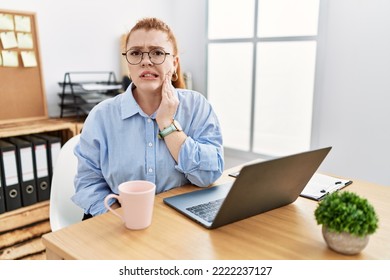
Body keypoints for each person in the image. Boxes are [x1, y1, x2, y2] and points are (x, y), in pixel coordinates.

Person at [71, 17, 224, 219]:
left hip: (179, 221)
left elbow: (208, 175)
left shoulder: (197, 106)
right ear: (128, 63)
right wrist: (122, 217)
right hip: (120, 222)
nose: (145, 60)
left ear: (174, 63)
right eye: (135, 53)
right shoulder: (101, 116)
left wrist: (167, 124)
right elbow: (88, 184)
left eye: (158, 53)